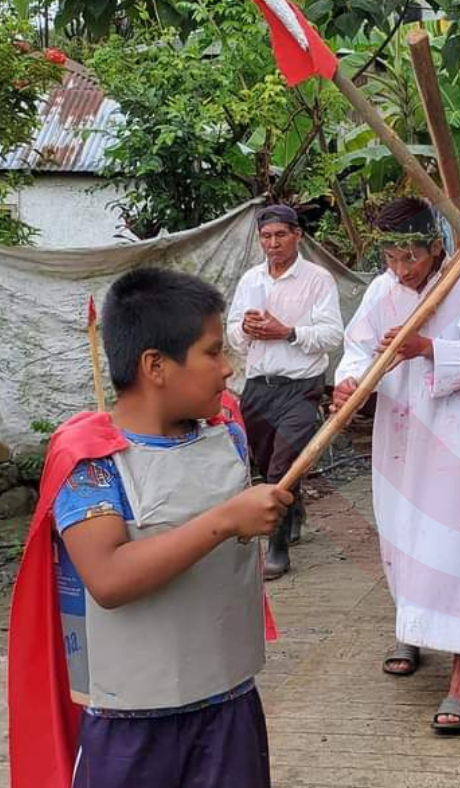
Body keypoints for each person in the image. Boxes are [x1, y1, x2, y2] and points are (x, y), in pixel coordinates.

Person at [9, 268, 292, 788]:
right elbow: (109, 578)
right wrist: (226, 519)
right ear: (155, 366)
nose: (226, 368)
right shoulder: (91, 463)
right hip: (132, 729)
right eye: (212, 352)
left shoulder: (226, 436)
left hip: (229, 705)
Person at [332, 197, 460, 732]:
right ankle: (411, 627)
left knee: (454, 542)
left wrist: (428, 347)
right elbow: (358, 348)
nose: (403, 270)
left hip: (452, 435)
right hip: (399, 433)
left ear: (434, 246)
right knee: (401, 533)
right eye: (392, 258)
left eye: (412, 258)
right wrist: (350, 383)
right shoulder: (381, 291)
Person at [227, 204, 344, 579]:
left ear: (297, 235)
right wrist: (245, 329)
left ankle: (276, 548)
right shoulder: (251, 280)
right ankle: (293, 508)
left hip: (301, 386)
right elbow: (233, 334)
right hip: (259, 386)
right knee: (266, 464)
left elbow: (332, 335)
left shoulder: (317, 279)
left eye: (280, 235)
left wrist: (288, 332)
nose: (273, 243)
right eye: (266, 236)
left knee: (281, 467)